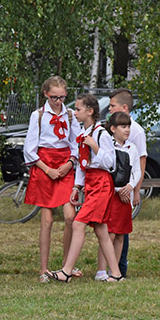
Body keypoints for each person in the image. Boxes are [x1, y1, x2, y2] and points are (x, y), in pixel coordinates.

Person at [43, 94, 123, 282]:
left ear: (90, 111)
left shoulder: (101, 134)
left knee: (78, 224)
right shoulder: (83, 133)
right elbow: (82, 163)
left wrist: (95, 147)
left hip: (101, 183)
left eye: (78, 109)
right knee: (101, 229)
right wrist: (76, 186)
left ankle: (66, 271)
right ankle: (116, 274)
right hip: (90, 183)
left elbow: (110, 163)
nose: (75, 112)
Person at [23, 76, 82, 280]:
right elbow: (30, 149)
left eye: (62, 97)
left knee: (70, 216)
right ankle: (44, 269)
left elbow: (76, 144)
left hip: (65, 165)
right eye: (54, 97)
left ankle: (67, 265)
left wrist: (70, 163)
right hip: (44, 166)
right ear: (46, 94)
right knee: (46, 220)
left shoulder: (71, 115)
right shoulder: (38, 115)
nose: (58, 101)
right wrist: (48, 170)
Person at [106, 88, 147, 279]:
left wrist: (134, 189)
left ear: (124, 107)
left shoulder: (136, 133)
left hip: (127, 190)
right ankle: (110, 268)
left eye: (112, 105)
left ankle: (120, 268)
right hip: (114, 191)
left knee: (122, 232)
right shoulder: (109, 138)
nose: (109, 109)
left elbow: (140, 162)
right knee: (111, 231)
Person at [95, 112, 141, 278]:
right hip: (111, 195)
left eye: (128, 126)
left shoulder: (132, 148)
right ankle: (101, 270)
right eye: (123, 126)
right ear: (113, 129)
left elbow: (137, 171)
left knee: (121, 233)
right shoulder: (108, 146)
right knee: (109, 234)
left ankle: (115, 271)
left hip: (126, 196)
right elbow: (106, 170)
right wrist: (117, 189)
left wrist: (130, 186)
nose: (127, 130)